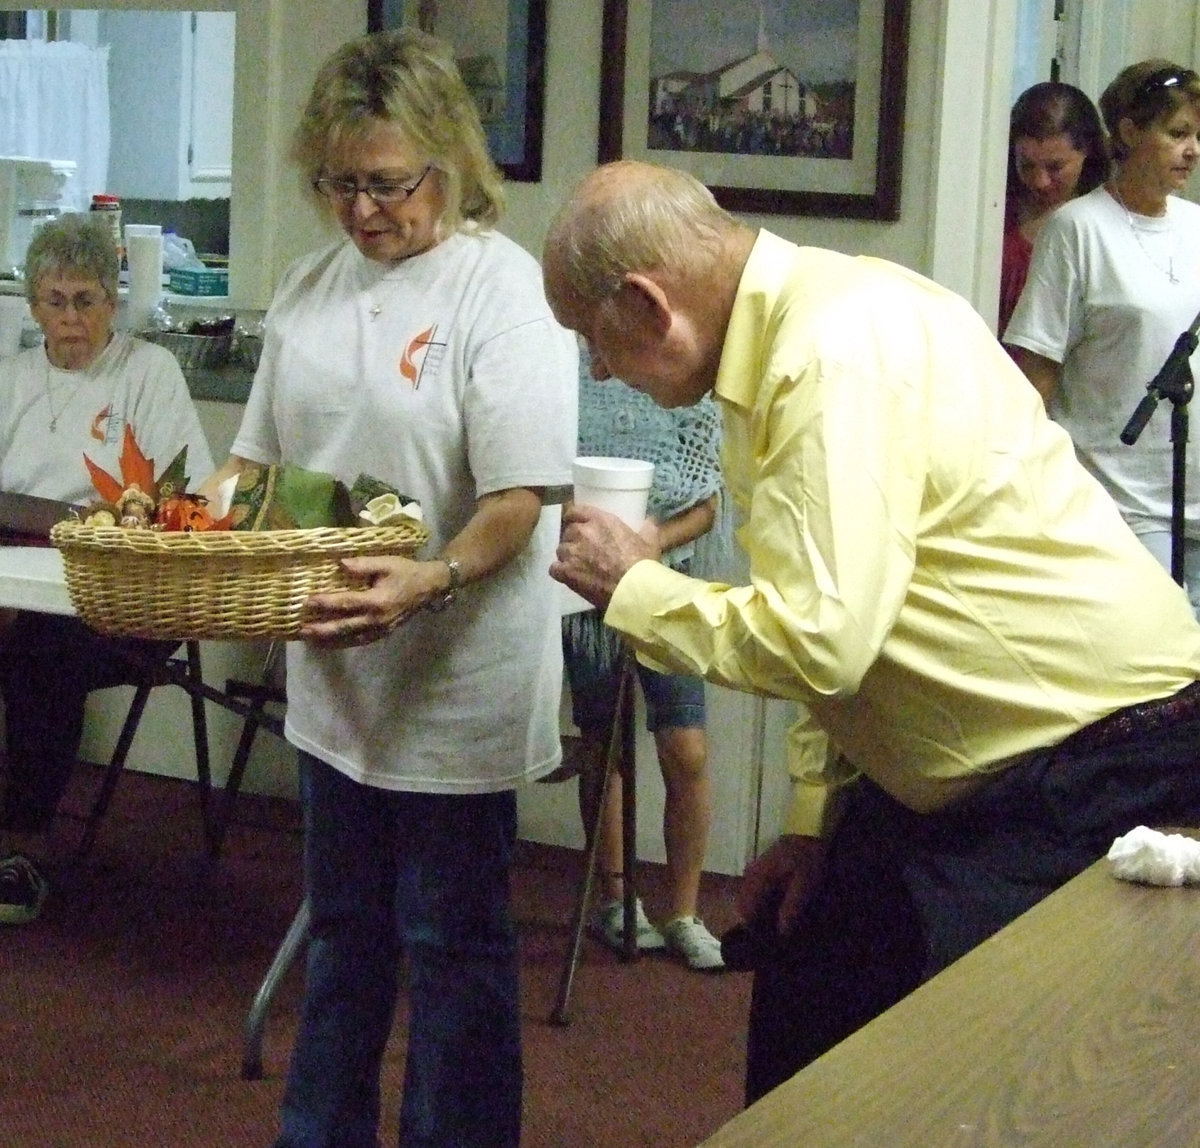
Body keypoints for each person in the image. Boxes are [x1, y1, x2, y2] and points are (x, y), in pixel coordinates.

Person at [542, 159, 1200, 1105]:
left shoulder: (826, 355)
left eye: (592, 338)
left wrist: (634, 589)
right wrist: (814, 822)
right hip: (996, 765)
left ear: (648, 305)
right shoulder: (800, 328)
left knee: (965, 1085)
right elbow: (845, 623)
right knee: (807, 985)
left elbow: (820, 641)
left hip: (1100, 759)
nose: (598, 369)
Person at [201, 29, 576, 1148]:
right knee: (344, 935)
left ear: (448, 165)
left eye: (388, 184)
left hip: (458, 670)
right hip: (334, 670)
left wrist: (431, 576)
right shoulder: (311, 287)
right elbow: (253, 463)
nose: (362, 210)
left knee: (452, 945)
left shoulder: (504, 292)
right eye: (340, 184)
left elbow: (518, 496)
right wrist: (180, 524)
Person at [0, 213, 214, 924]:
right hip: (17, 579)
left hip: (124, 592)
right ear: (34, 306)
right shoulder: (11, 378)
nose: (72, 317)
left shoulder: (147, 372)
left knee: (39, 654)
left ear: (112, 302)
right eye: (56, 301)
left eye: (86, 300)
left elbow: (189, 497)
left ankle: (22, 848)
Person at [1005, 61, 1200, 614]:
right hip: (1122, 505)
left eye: (1196, 136)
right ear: (1130, 132)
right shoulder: (1076, 229)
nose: (1192, 151)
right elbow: (1035, 379)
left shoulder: (1196, 227)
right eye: (1177, 134)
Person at [563, 357, 725, 971]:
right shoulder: (560, 372)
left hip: (669, 588)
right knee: (603, 746)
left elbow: (707, 504)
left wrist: (651, 542)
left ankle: (684, 913)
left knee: (687, 750)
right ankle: (615, 902)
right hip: (586, 593)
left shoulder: (681, 382)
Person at [999, 81, 1107, 338]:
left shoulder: (1106, 219)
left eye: (1055, 167)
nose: (1040, 181)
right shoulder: (992, 210)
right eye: (1026, 165)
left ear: (1087, 150)